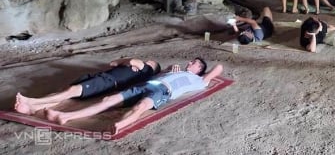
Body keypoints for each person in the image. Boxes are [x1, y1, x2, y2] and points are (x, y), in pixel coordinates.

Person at [45, 57, 223, 134]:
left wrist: (201, 74)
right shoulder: (173, 70)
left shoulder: (198, 80)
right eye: (192, 61)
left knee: (141, 106)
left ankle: (120, 124)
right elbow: (154, 75)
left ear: (199, 71)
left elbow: (219, 68)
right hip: (148, 84)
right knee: (109, 100)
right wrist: (168, 70)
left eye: (195, 64)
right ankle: (66, 116)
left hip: (162, 91)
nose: (190, 63)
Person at [14, 57, 160, 115]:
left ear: (152, 67)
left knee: (71, 91)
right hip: (102, 77)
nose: (148, 60)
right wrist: (127, 62)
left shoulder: (146, 69)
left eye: (151, 61)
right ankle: (33, 108)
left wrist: (132, 61)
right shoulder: (139, 69)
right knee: (67, 92)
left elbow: (133, 60)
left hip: (107, 82)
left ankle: (32, 101)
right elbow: (113, 63)